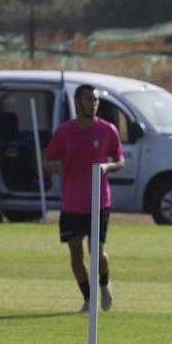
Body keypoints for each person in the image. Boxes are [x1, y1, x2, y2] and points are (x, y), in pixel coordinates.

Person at [43, 84, 123, 312]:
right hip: (71, 203)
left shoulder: (108, 130)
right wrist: (51, 167)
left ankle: (105, 284)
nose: (93, 104)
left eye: (96, 100)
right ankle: (88, 298)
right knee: (76, 253)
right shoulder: (65, 131)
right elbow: (48, 161)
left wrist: (108, 167)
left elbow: (120, 160)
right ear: (78, 102)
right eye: (89, 100)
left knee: (96, 252)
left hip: (99, 202)